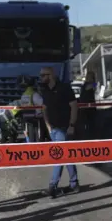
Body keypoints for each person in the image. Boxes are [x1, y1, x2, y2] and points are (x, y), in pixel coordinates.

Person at [39, 66, 80, 198]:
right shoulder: (45, 91)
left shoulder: (64, 88)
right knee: (66, 156)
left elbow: (74, 106)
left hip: (64, 127)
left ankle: (52, 186)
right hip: (54, 129)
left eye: (43, 75)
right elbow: (44, 108)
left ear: (50, 75)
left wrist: (72, 125)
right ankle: (74, 184)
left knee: (59, 155)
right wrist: (48, 126)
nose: (41, 78)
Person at [16, 74, 46, 142]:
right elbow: (43, 104)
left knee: (30, 137)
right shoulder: (34, 94)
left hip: (27, 119)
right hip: (37, 119)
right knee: (38, 137)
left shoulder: (24, 95)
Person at [78, 71, 97, 140]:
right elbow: (89, 88)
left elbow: (94, 88)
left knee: (91, 122)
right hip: (86, 106)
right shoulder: (86, 84)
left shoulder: (92, 84)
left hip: (90, 105)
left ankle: (91, 134)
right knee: (87, 122)